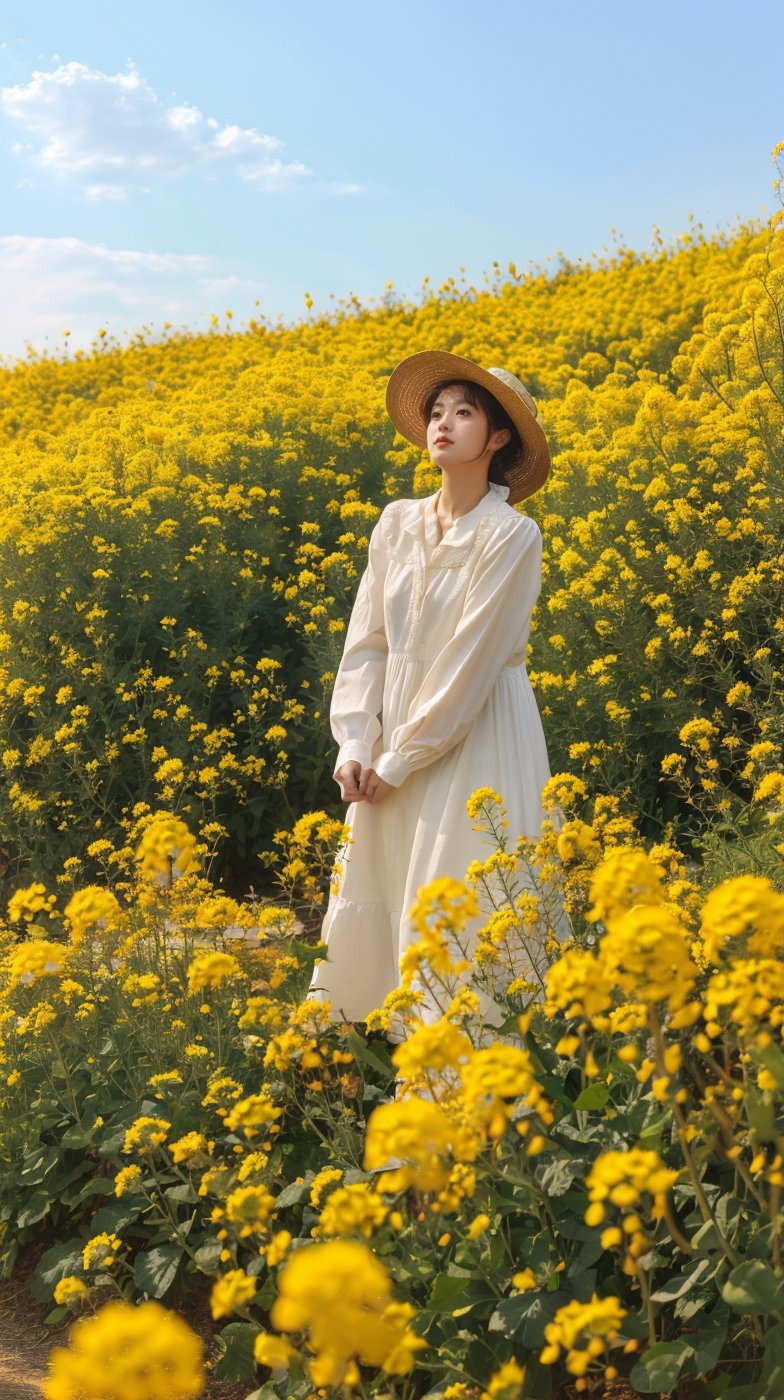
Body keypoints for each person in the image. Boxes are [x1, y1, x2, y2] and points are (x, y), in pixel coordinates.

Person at [308, 349, 566, 1033]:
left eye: (464, 412)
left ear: (500, 438)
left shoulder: (512, 535)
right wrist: (358, 741)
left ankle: (476, 1079)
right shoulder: (396, 522)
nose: (442, 423)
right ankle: (384, 1061)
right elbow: (367, 641)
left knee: (462, 885)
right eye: (436, 412)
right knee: (391, 884)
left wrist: (398, 760)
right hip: (395, 741)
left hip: (476, 732)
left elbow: (470, 666)